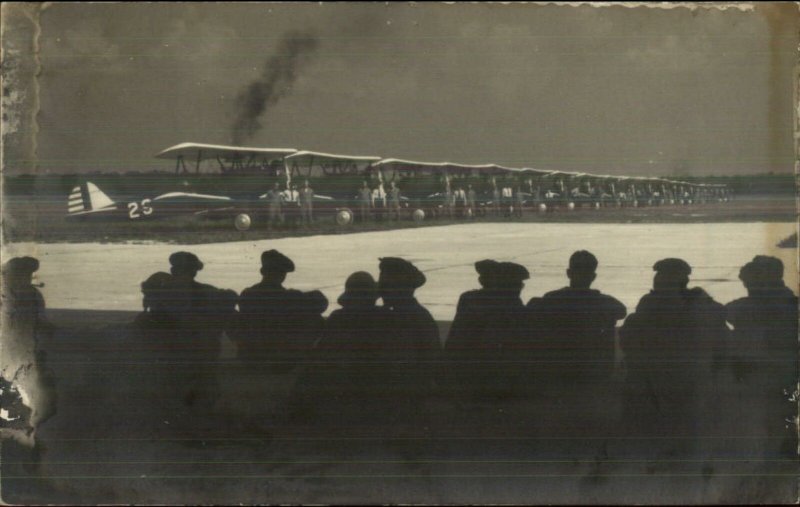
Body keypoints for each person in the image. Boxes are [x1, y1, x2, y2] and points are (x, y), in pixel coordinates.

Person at [619, 258, 728, 460]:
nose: (656, 280)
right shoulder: (699, 303)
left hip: (662, 378)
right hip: (687, 378)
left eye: (660, 277)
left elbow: (630, 338)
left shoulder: (651, 303)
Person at [294, 271, 394, 423]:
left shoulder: (338, 317)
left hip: (342, 377)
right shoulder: (385, 316)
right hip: (371, 378)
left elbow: (323, 351)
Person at [725, 256, 798, 458]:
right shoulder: (788, 303)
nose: (747, 286)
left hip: (766, 375)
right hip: (775, 374)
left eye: (750, 282)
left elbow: (727, 313)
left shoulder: (749, 307)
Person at [528, 251, 626, 384]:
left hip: (558, 370)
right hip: (595, 372)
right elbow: (621, 312)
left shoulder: (551, 299)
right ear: (593, 276)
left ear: (568, 273)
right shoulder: (608, 303)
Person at [446, 260, 530, 399]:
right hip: (489, 372)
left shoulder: (470, 298)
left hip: (467, 369)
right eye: (517, 283)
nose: (520, 287)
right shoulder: (509, 305)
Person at [236, 250, 328, 371]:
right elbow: (321, 304)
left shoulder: (247, 294)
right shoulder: (291, 297)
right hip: (283, 356)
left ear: (263, 272)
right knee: (316, 319)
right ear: (283, 275)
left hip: (251, 356)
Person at [0, 257, 57, 439]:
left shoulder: (34, 296)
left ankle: (28, 433)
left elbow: (42, 323)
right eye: (19, 275)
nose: (24, 279)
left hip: (27, 353)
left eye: (27, 275)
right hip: (7, 354)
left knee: (36, 398)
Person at [376, 257, 441, 417]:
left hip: (405, 391)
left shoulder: (411, 316)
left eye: (385, 287)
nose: (382, 292)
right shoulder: (416, 315)